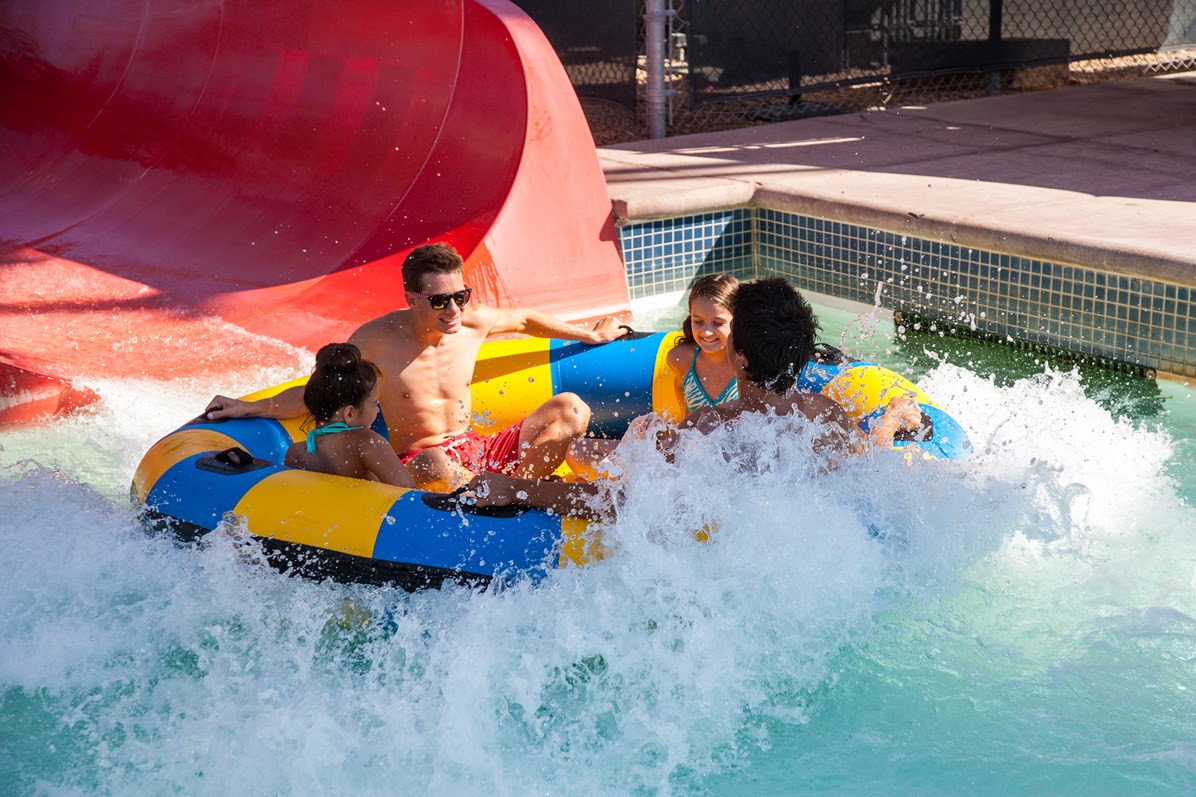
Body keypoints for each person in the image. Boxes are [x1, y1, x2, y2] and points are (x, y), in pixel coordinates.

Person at [205, 243, 625, 490]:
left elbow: (525, 319)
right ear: (412, 299)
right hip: (420, 461)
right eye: (440, 301)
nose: (454, 310)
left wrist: (590, 335)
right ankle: (511, 498)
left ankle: (517, 494)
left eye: (460, 296)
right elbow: (323, 393)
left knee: (571, 408)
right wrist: (248, 408)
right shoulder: (377, 340)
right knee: (435, 464)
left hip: (476, 447)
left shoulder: (472, 320)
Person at [466, 277, 867, 518]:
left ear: (739, 356)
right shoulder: (826, 415)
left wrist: (517, 489)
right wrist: (890, 421)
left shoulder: (709, 428)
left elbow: (622, 506)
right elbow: (868, 461)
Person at [565, 273, 740, 478]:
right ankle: (628, 484)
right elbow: (685, 422)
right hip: (690, 459)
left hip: (730, 463)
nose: (706, 332)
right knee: (579, 451)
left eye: (717, 322)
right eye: (698, 321)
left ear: (736, 321)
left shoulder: (745, 363)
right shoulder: (680, 359)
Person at [283, 343, 415, 488]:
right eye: (374, 403)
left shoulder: (296, 453)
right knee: (432, 458)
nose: (377, 410)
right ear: (350, 413)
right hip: (372, 509)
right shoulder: (366, 442)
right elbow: (407, 492)